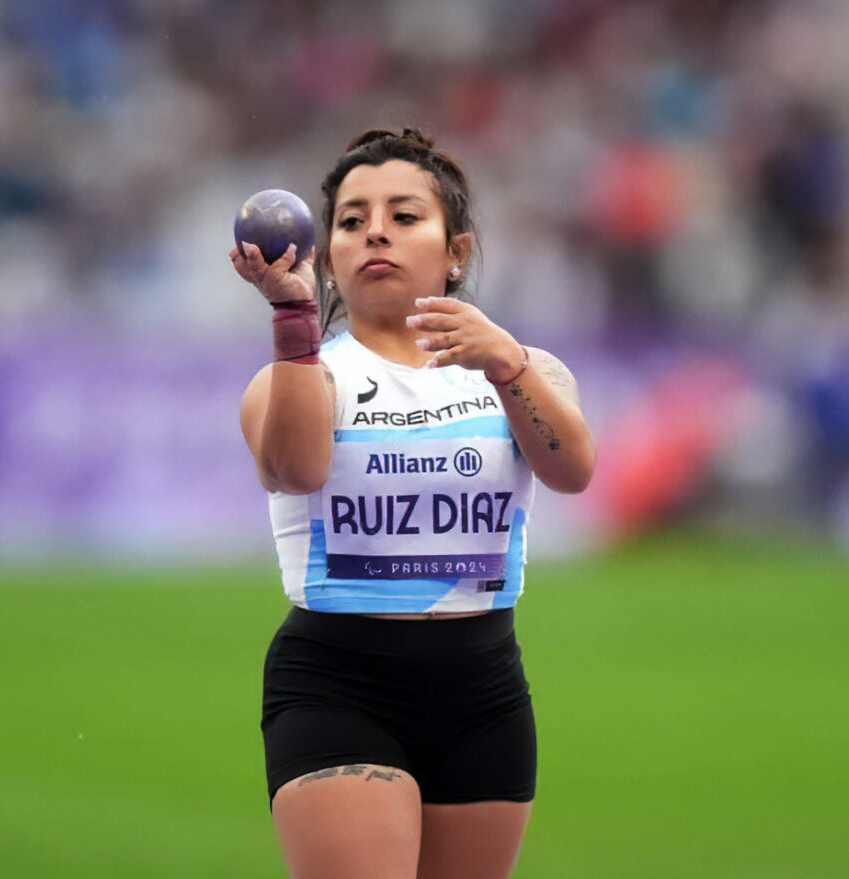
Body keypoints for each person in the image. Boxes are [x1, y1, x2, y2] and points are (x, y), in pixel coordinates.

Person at [229, 128, 595, 879]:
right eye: (353, 220)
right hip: (338, 683)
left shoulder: (521, 369)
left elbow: (573, 471)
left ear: (455, 249)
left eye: (404, 215)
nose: (376, 234)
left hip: (483, 687)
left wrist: (509, 363)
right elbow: (294, 470)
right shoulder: (301, 375)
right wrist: (293, 325)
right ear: (327, 253)